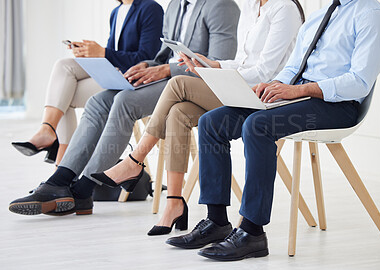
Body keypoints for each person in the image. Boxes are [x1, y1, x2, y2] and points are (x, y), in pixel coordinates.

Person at [165, 0, 380, 261]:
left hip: (337, 105)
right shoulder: (320, 16)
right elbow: (292, 68)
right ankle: (216, 222)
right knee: (212, 122)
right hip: (297, 97)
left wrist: (301, 90)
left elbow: (360, 82)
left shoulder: (372, 15)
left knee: (259, 125)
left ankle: (252, 232)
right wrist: (271, 88)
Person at [91, 0, 305, 236]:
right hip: (240, 87)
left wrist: (219, 74)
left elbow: (265, 72)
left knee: (177, 83)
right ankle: (175, 202)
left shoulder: (284, 8)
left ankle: (135, 160)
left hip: (264, 95)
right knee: (178, 112)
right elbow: (245, 62)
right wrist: (213, 65)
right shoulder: (252, 6)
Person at [8, 0, 240, 216]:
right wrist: (145, 67)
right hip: (165, 78)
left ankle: (85, 188)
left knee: (124, 102)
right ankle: (61, 179)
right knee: (98, 101)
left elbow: (218, 62)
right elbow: (162, 57)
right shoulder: (176, 5)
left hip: (194, 84)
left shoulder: (221, 5)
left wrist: (166, 70)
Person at [12, 0, 164, 165]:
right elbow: (112, 55)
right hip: (115, 73)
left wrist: (102, 52)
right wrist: (90, 53)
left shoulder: (150, 8)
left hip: (134, 80)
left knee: (65, 94)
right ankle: (48, 131)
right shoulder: (116, 12)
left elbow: (149, 58)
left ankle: (61, 167)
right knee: (63, 67)